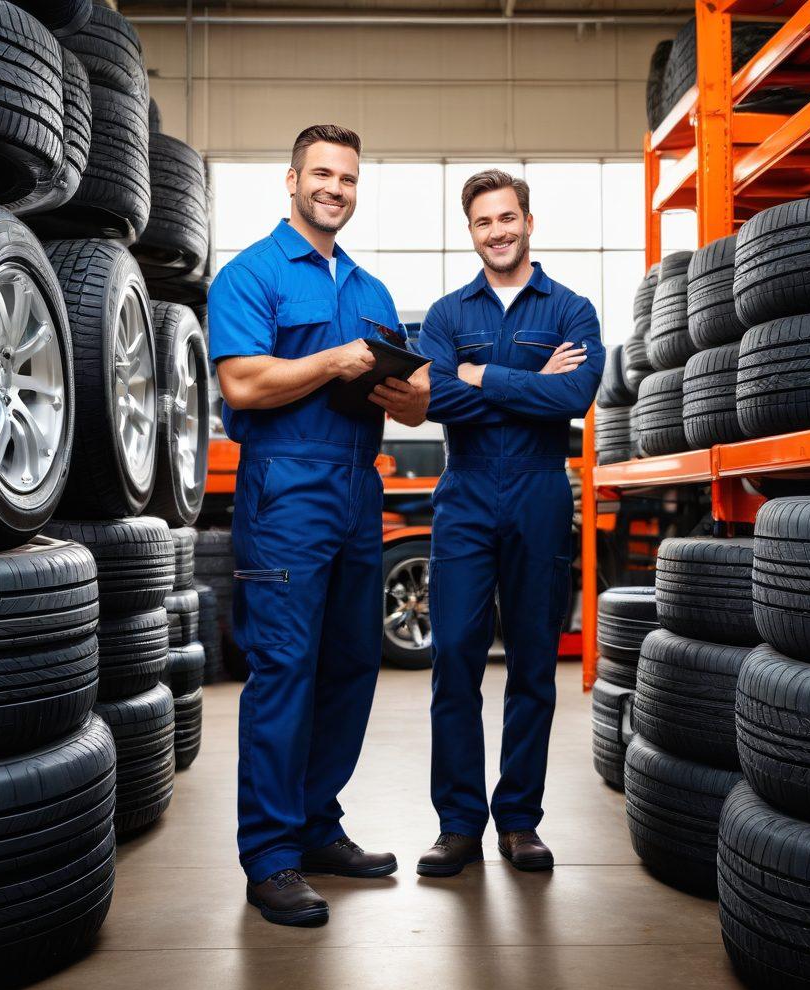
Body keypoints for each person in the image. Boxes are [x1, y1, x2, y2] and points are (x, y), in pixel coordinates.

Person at [208, 124, 429, 927]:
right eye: (323, 174)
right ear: (292, 179)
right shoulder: (250, 275)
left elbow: (412, 398)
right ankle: (269, 857)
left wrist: (413, 396)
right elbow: (242, 384)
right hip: (284, 493)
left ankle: (315, 826)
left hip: (356, 489)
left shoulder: (370, 293)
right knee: (284, 669)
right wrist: (331, 363)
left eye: (349, 178)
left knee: (348, 665)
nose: (336, 188)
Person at [415, 169, 604, 877]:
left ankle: (519, 821)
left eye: (506, 218)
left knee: (532, 663)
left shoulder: (571, 310)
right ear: (471, 231)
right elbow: (434, 399)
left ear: (529, 221)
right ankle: (459, 823)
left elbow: (577, 394)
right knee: (454, 659)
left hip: (539, 493)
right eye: (482, 222)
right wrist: (530, 389)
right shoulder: (446, 315)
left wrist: (480, 377)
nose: (496, 231)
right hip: (463, 495)